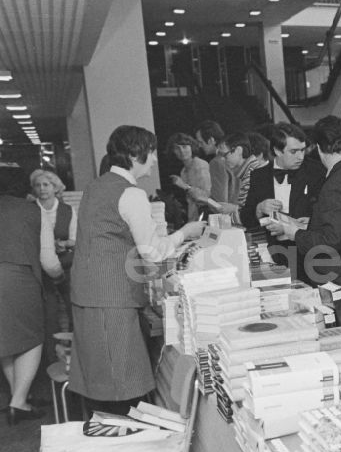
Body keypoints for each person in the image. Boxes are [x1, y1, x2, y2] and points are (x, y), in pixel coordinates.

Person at [70, 125, 205, 415]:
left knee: (101, 381)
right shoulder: (131, 194)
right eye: (152, 152)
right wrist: (185, 232)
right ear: (135, 154)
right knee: (121, 384)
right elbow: (152, 251)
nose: (155, 159)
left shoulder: (96, 186)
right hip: (112, 297)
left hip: (88, 294)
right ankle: (125, 444)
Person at [267, 116, 341, 290]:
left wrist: (293, 233)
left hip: (340, 277)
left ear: (318, 148)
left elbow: (331, 240)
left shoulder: (335, 184)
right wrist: (312, 224)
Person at [0, 172, 63, 423]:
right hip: (19, 279)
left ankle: (19, 396)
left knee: (5, 336)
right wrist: (59, 278)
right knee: (32, 338)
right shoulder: (33, 211)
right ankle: (18, 402)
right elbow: (49, 261)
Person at [240, 122, 325, 270]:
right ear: (277, 151)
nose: (301, 156)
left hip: (311, 253)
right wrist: (259, 209)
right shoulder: (259, 176)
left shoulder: (316, 171)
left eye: (303, 150)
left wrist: (303, 224)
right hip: (277, 253)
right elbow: (245, 218)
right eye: (294, 152)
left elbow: (326, 212)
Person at [30, 168, 77, 367]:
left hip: (67, 266)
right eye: (38, 185)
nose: (42, 189)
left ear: (55, 187)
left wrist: (64, 244)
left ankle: (76, 352)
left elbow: (75, 239)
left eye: (46, 185)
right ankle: (52, 358)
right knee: (48, 314)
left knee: (74, 307)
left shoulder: (68, 210)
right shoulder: (29, 209)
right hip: (41, 270)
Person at [166, 132, 211, 221]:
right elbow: (191, 203)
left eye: (184, 146)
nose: (182, 151)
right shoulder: (183, 171)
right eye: (177, 148)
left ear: (192, 147)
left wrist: (184, 185)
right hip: (196, 218)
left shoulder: (199, 165)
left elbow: (206, 196)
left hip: (208, 217)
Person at [194, 120, 232, 206]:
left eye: (200, 142)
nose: (199, 146)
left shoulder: (216, 162)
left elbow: (220, 202)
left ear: (211, 140)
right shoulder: (233, 156)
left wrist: (202, 199)